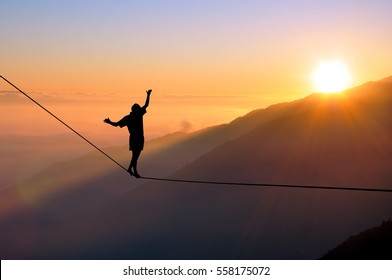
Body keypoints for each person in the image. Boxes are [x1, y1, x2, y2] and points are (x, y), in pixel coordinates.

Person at [104, 89, 152, 178]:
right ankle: (133, 170)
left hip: (136, 138)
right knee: (135, 156)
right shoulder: (137, 115)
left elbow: (116, 124)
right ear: (136, 110)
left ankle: (132, 169)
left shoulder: (129, 117)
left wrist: (109, 122)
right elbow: (146, 105)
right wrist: (148, 95)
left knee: (135, 156)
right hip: (137, 138)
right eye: (138, 109)